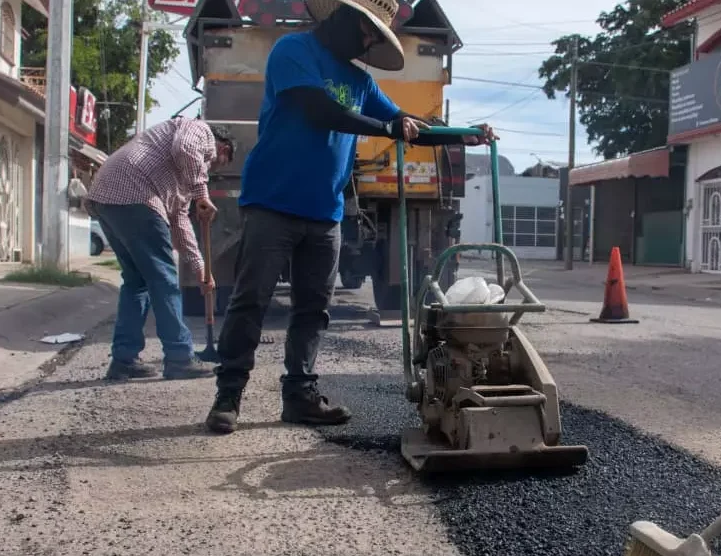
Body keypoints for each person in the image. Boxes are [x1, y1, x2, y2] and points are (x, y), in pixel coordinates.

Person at [203, 0, 494, 434]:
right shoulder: (293, 52)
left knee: (314, 309)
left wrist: (463, 134)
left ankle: (299, 395)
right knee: (251, 301)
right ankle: (228, 396)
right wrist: (386, 129)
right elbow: (316, 110)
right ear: (341, 18)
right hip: (271, 203)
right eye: (367, 31)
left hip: (325, 212)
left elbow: (405, 123)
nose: (369, 42)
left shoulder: (359, 80)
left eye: (376, 35)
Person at [86, 117, 236, 381]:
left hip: (106, 198)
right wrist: (202, 193)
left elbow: (179, 222)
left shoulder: (178, 176)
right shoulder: (199, 130)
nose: (209, 169)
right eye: (216, 163)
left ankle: (124, 359)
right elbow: (187, 149)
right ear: (222, 147)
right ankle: (179, 357)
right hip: (134, 194)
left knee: (137, 282)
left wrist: (201, 269)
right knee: (164, 280)